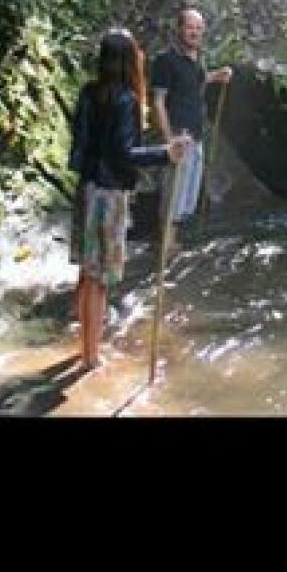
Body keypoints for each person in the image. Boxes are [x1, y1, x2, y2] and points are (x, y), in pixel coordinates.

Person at [68, 28, 190, 370]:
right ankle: (91, 357)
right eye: (136, 49)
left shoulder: (87, 93)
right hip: (109, 194)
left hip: (87, 188)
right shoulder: (125, 100)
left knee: (87, 272)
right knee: (99, 278)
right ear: (127, 59)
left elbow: (80, 145)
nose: (141, 55)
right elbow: (124, 153)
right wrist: (166, 154)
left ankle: (84, 346)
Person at [150, 5, 232, 252]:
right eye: (190, 27)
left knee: (186, 197)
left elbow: (196, 80)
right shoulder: (166, 60)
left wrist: (217, 75)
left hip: (196, 137)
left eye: (198, 28)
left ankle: (171, 242)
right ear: (179, 29)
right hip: (178, 137)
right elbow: (157, 101)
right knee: (173, 195)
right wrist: (168, 141)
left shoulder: (196, 61)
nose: (194, 32)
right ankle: (164, 247)